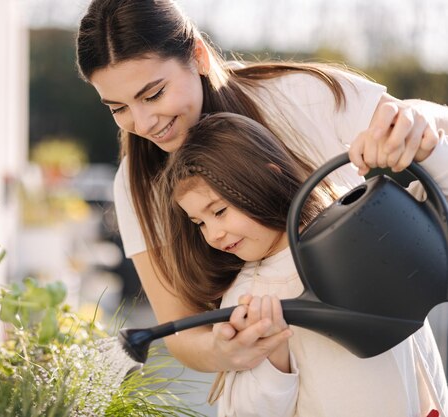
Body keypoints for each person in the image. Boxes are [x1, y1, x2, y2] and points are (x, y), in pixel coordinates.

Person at [75, 0, 448, 375]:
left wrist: (416, 116)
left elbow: (433, 125)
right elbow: (182, 334)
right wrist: (220, 351)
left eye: (153, 94)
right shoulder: (135, 184)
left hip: (388, 363)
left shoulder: (299, 94)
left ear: (199, 57)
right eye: (117, 108)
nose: (142, 123)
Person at [158, 112, 448, 416]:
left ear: (265, 177)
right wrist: (272, 358)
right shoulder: (245, 298)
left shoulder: (358, 228)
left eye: (218, 212)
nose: (213, 234)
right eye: (199, 223)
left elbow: (438, 209)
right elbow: (243, 412)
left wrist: (425, 150)